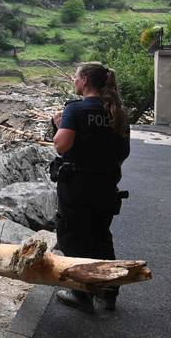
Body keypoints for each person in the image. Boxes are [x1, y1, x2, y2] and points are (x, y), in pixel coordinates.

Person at [51, 62, 130, 312]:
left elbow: (61, 145)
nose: (74, 81)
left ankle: (81, 294)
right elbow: (124, 151)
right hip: (106, 186)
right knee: (101, 237)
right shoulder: (117, 111)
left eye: (76, 77)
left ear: (85, 80)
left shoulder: (76, 109)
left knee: (73, 239)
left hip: (77, 187)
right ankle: (108, 293)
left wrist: (57, 126)